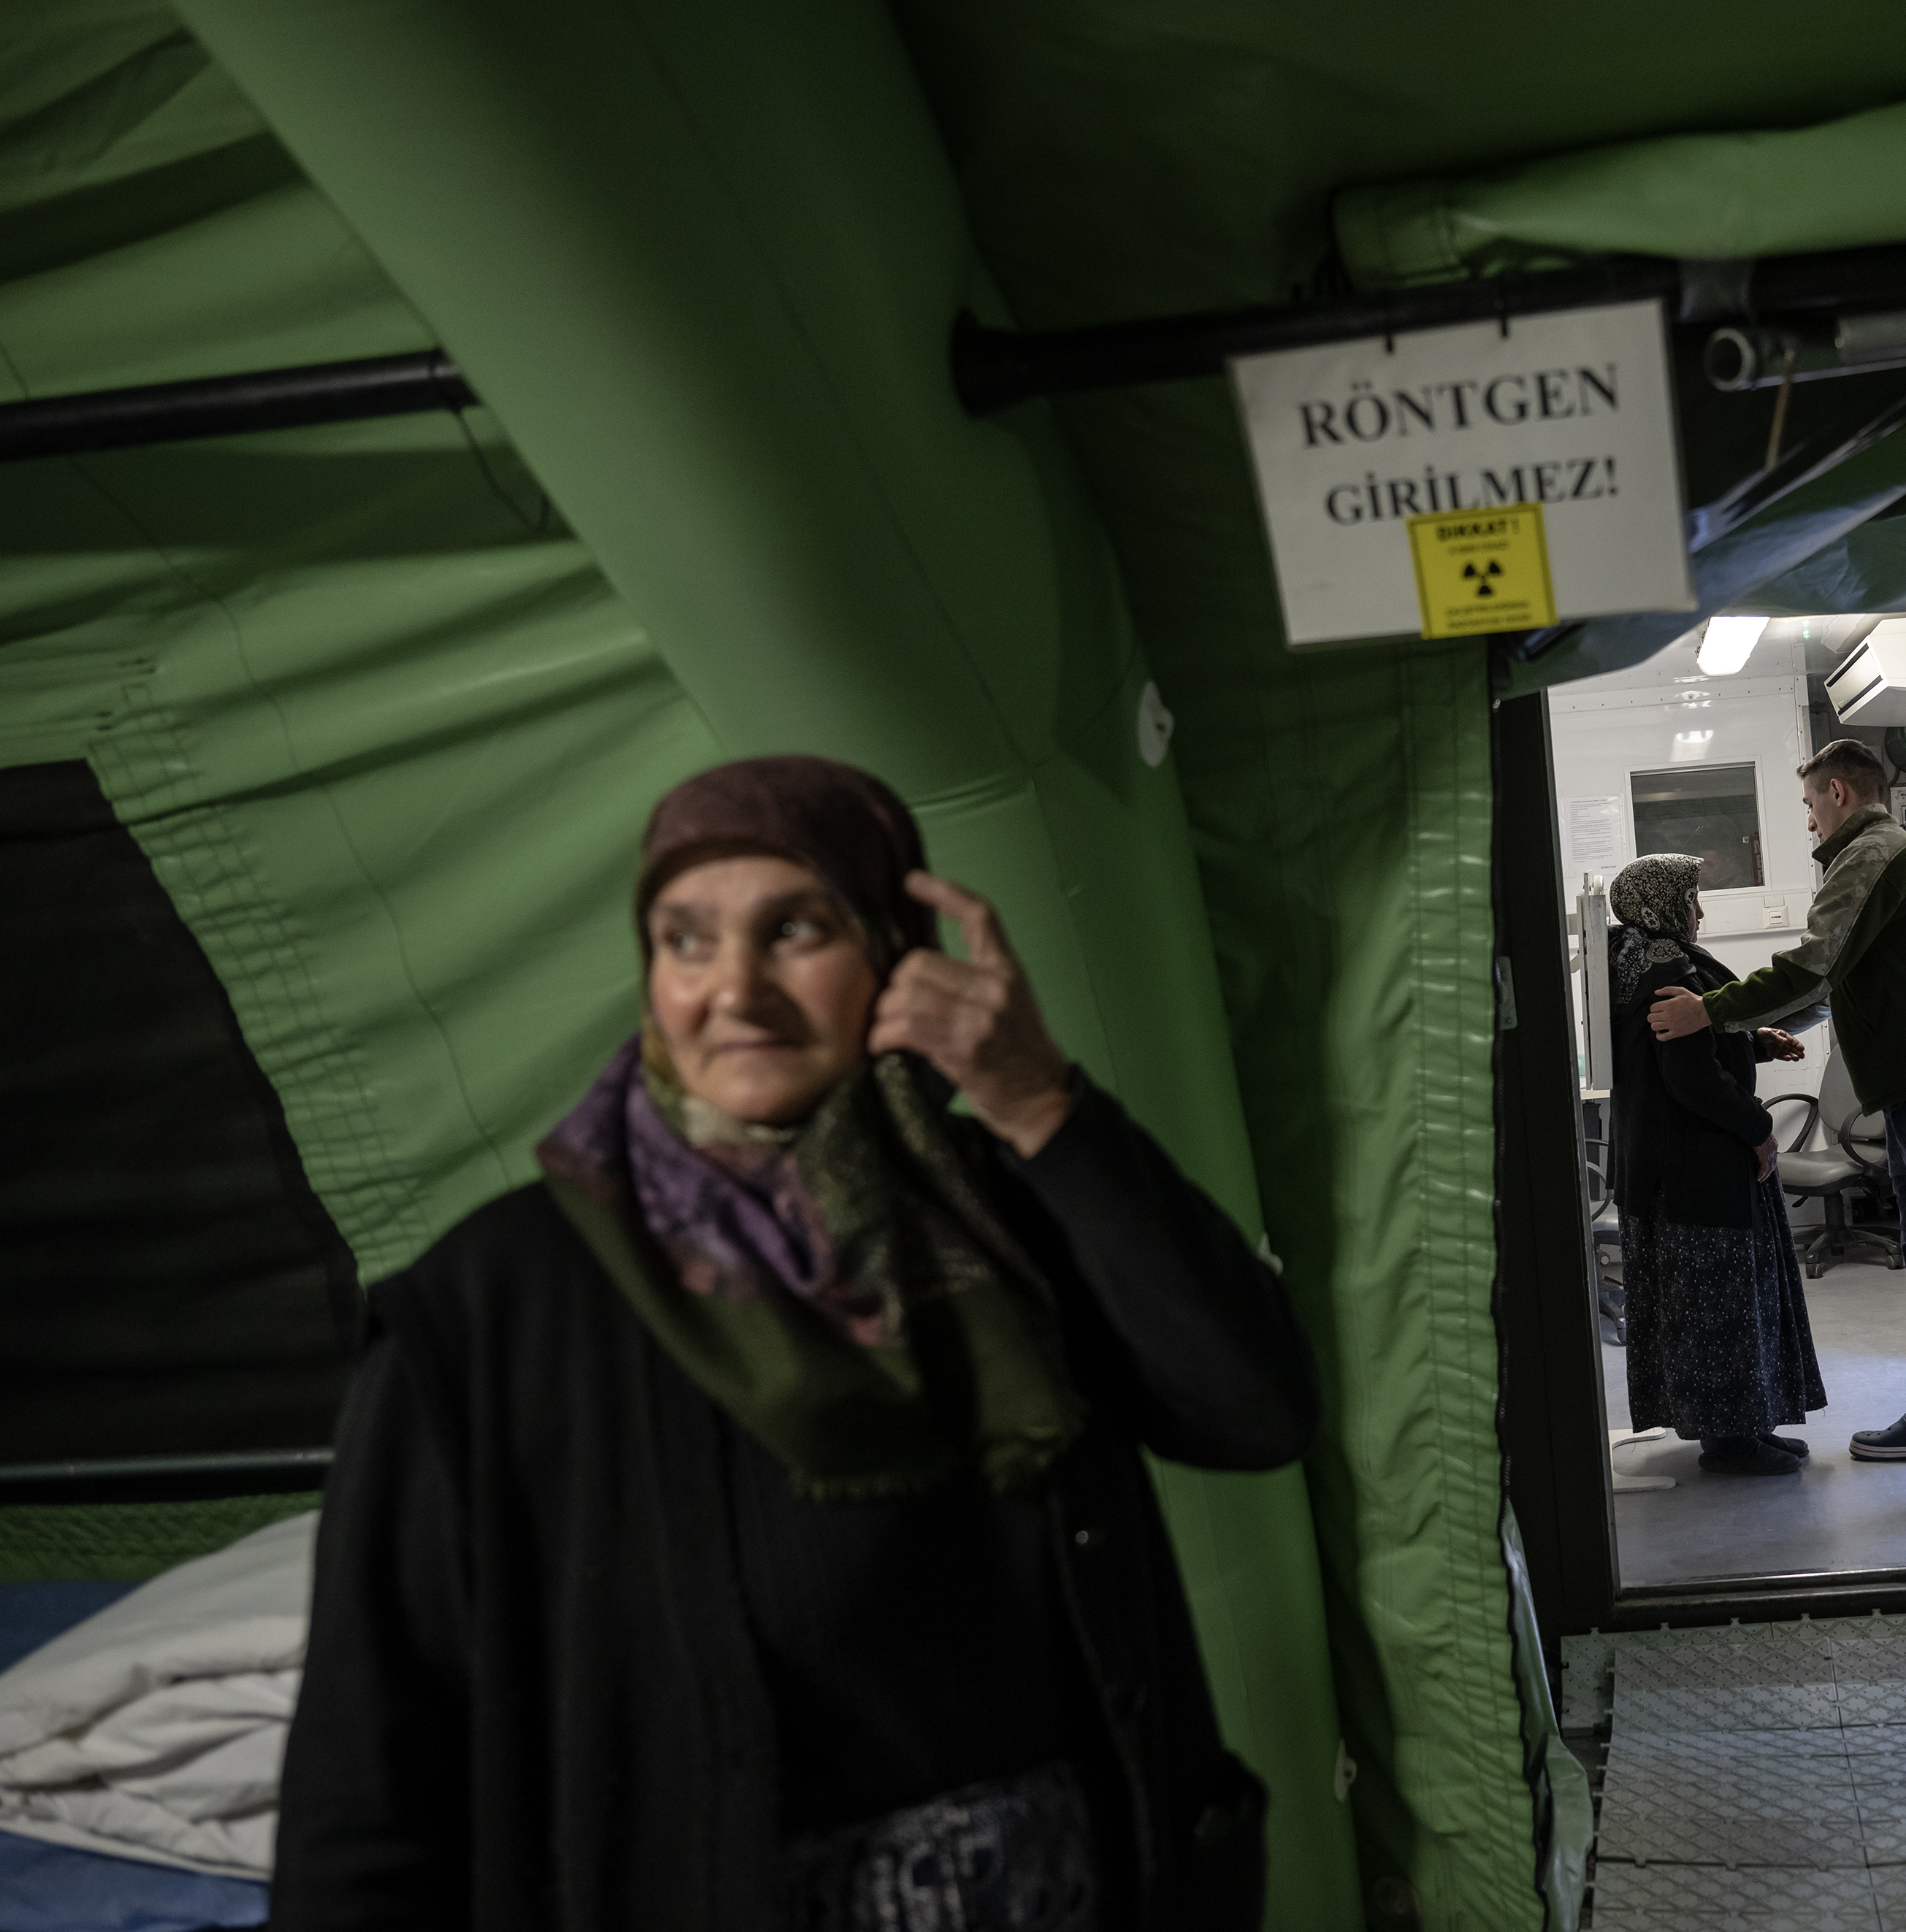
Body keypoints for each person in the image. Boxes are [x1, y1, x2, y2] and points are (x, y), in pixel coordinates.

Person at [272, 756, 1314, 1932]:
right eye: (686, 941)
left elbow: (1252, 1407)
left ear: (895, 952)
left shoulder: (1002, 1215)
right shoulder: (491, 1315)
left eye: (796, 930)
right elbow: (364, 1774)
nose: (736, 992)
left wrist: (1038, 1102)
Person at [1645, 739, 1906, 1505]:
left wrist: (1708, 1009)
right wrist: (1758, 1032)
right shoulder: (1871, 855)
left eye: (1809, 804)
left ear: (1837, 791)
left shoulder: (1873, 852)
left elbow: (1812, 962)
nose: (1808, 819)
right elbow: (1838, 983)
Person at [1602, 855, 1826, 1477]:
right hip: (1694, 1170)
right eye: (1692, 898)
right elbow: (1689, 1075)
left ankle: (1743, 1426)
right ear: (1663, 901)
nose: (1699, 912)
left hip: (1668, 1170)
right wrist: (1759, 1131)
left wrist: (1754, 1041)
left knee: (1710, 1301)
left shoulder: (1636, 959)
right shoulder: (1663, 966)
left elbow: (1687, 1041)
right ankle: (1731, 1441)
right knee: (1718, 1303)